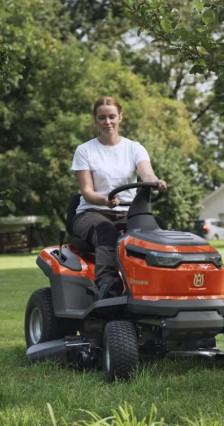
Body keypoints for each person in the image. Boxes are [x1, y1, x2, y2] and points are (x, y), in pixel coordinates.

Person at [70, 96, 167, 299]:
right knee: (106, 231)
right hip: (92, 211)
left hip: (127, 212)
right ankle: (105, 284)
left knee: (157, 226)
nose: (108, 122)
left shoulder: (134, 148)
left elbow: (146, 173)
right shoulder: (85, 150)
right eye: (102, 117)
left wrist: (155, 181)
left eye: (112, 116)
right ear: (96, 120)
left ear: (120, 117)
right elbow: (87, 192)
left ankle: (156, 282)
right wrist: (104, 200)